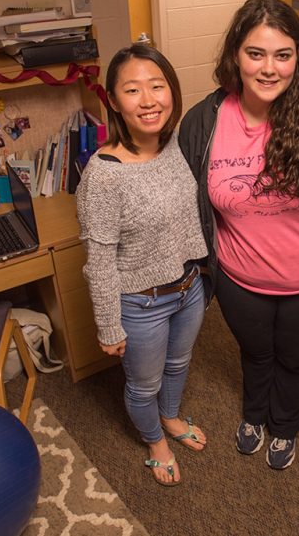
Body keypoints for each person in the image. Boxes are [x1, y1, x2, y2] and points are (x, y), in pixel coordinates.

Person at [179, 0, 299, 470]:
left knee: (294, 360)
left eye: (282, 55)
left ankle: (285, 428)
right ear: (235, 56)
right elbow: (186, 205)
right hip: (237, 281)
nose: (269, 69)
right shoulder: (204, 121)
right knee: (255, 353)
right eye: (256, 54)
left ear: (298, 58)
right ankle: (253, 416)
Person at [75, 44, 209, 487]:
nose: (149, 100)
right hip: (142, 303)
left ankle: (170, 418)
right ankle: (155, 442)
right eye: (133, 90)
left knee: (179, 364)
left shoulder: (174, 144)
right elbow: (98, 260)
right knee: (143, 385)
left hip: (189, 288)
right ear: (113, 101)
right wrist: (109, 326)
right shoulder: (103, 174)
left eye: (158, 86)